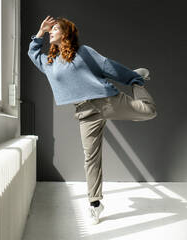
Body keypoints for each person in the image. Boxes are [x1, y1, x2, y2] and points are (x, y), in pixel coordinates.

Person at [27, 15, 157, 225]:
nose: (52, 31)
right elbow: (33, 54)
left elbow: (108, 66)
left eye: (55, 29)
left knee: (149, 111)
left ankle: (138, 82)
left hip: (106, 100)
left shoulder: (84, 52)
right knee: (91, 158)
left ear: (66, 33)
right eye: (50, 30)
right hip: (85, 113)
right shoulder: (49, 62)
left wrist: (133, 78)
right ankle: (95, 204)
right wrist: (40, 33)